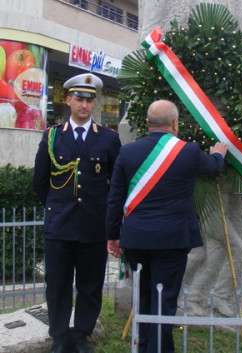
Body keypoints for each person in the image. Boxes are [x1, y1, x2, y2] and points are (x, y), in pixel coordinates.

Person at [106, 100, 227, 353]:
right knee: (165, 300)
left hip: (137, 239)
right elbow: (213, 167)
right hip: (172, 241)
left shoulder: (127, 152)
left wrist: (112, 236)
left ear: (147, 123)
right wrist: (218, 153)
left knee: (143, 298)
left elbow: (115, 198)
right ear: (175, 124)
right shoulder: (189, 151)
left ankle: (145, 347)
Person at [33, 73, 121, 353]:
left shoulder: (108, 139)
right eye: (79, 99)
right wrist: (56, 207)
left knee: (90, 284)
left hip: (93, 226)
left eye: (90, 99)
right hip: (59, 225)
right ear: (68, 100)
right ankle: (59, 337)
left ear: (94, 103)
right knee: (57, 284)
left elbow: (116, 184)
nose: (85, 104)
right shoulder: (52, 137)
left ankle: (81, 335)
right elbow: (40, 181)